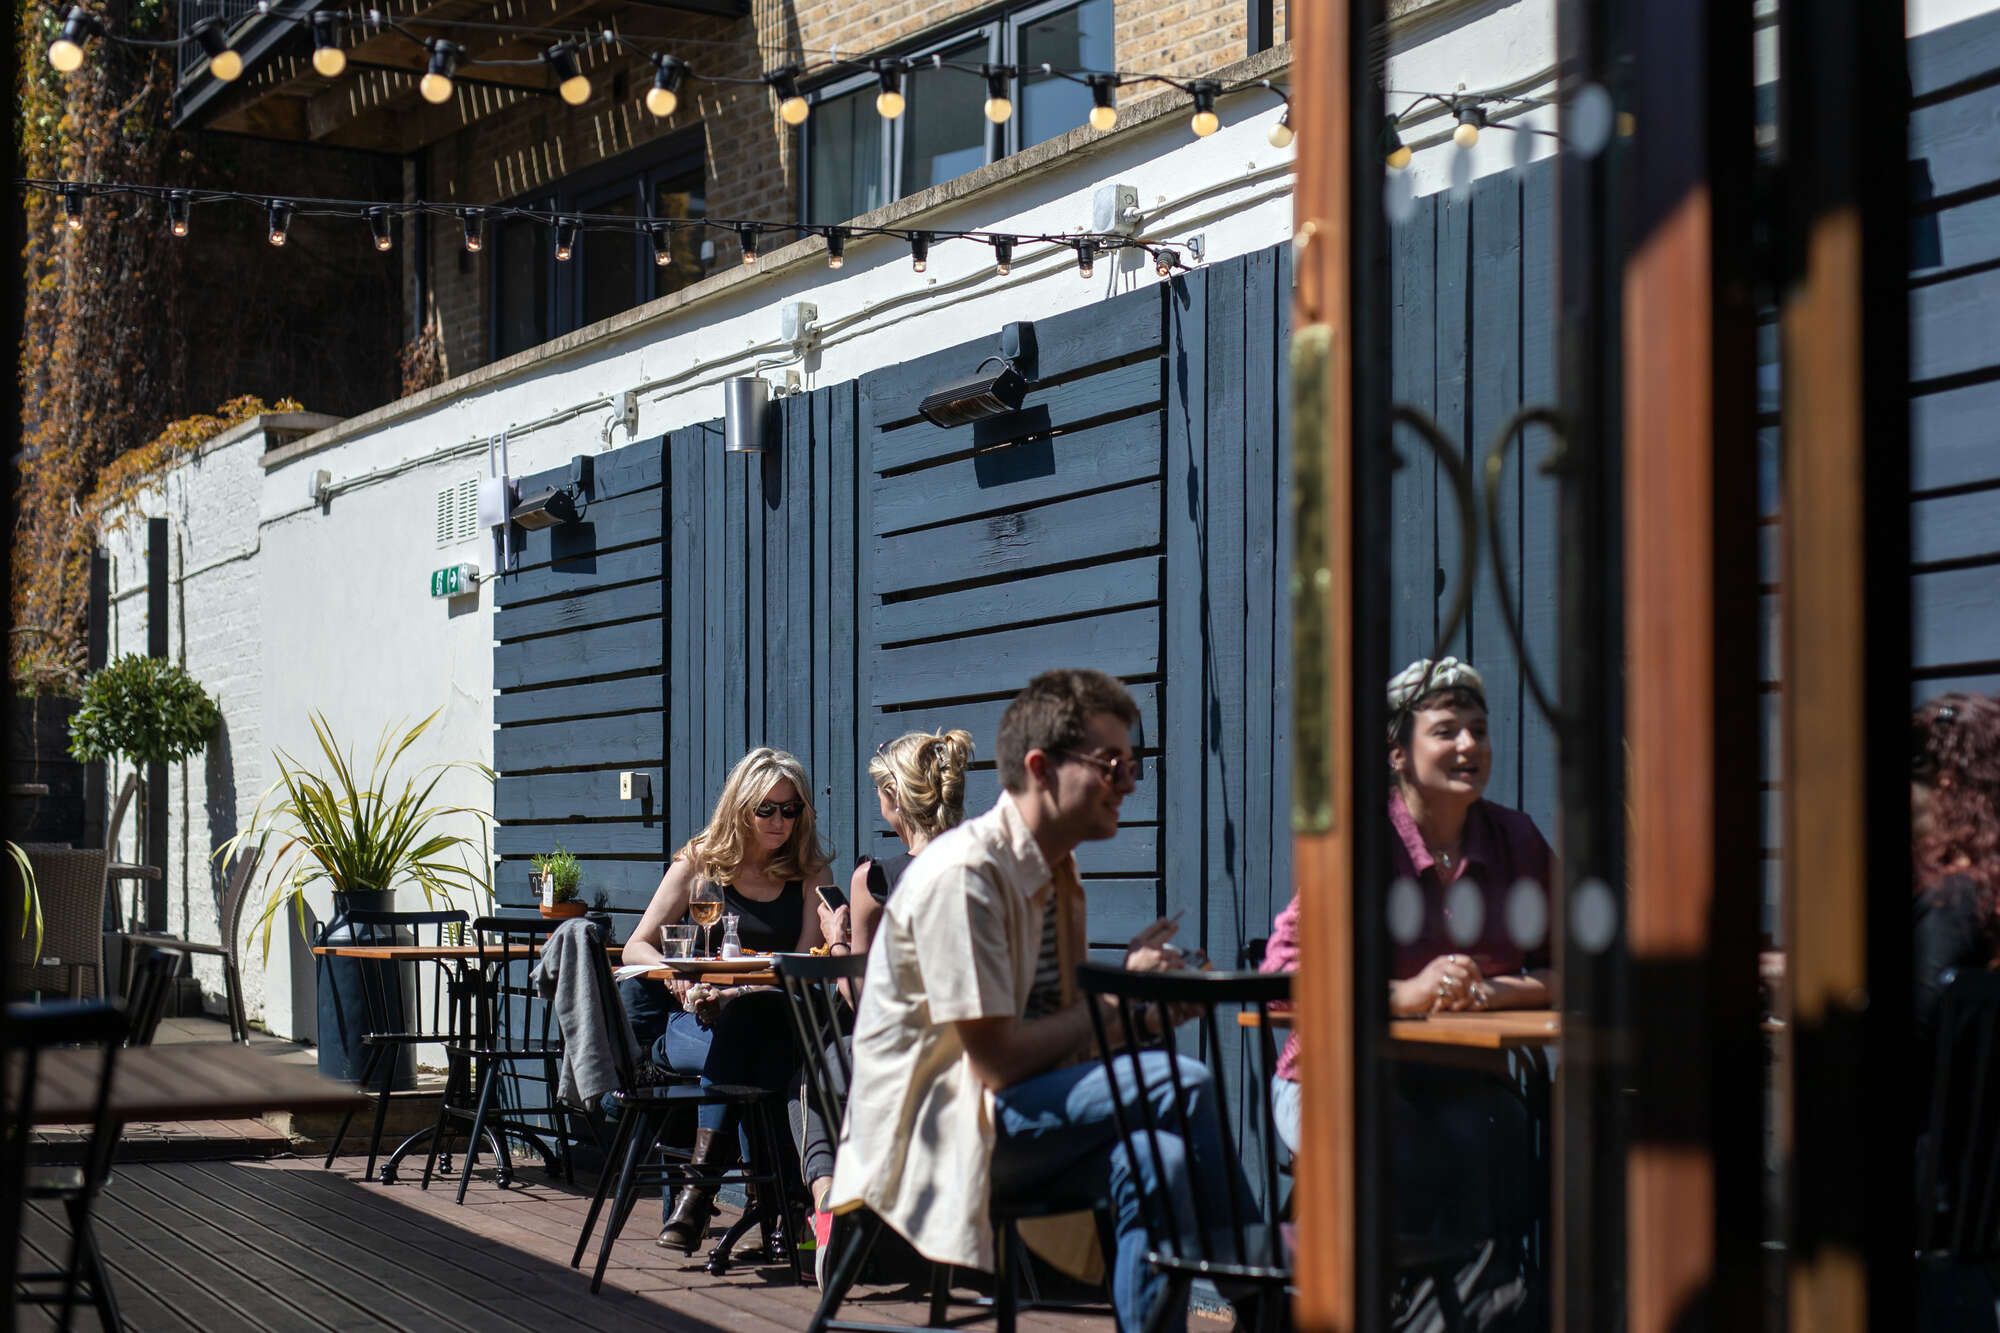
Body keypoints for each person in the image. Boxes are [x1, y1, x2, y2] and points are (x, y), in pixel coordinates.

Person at [828, 669, 1249, 1333]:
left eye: (1132, 765)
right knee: (1185, 1081)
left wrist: (1142, 1011)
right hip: (935, 1121)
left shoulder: (1057, 869)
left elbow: (1058, 1027)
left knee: (1160, 1162)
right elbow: (996, 1061)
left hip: (1008, 1103)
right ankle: (1266, 1300)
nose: (1130, 782)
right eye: (1111, 764)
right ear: (1041, 768)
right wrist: (1116, 1008)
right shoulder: (967, 875)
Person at [620, 746, 834, 1252]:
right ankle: (783, 1211)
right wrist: (679, 984)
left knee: (750, 1024)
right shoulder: (701, 863)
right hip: (695, 1020)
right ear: (742, 806)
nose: (780, 821)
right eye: (767, 808)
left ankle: (697, 1196)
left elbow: (801, 964)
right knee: (760, 1046)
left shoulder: (808, 874)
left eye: (791, 809)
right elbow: (638, 942)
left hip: (763, 1015)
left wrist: (739, 992)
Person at [800, 728, 974, 1267]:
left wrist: (836, 939)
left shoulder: (876, 879)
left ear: (895, 800)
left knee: (810, 1075)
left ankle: (829, 1204)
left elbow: (864, 1001)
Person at [1383, 656, 1555, 1015]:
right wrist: (1410, 994)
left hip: (1473, 1066)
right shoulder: (1365, 841)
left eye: (1478, 730)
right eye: (1445, 731)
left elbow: (1585, 969)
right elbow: (1284, 977)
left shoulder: (1517, 839)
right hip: (1350, 1069)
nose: (1469, 744)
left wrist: (1489, 992)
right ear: (1398, 754)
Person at [1912, 692, 2000, 1119]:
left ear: (1947, 782)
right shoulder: (1985, 891)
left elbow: (1915, 1042)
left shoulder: (1954, 903)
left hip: (1933, 1166)